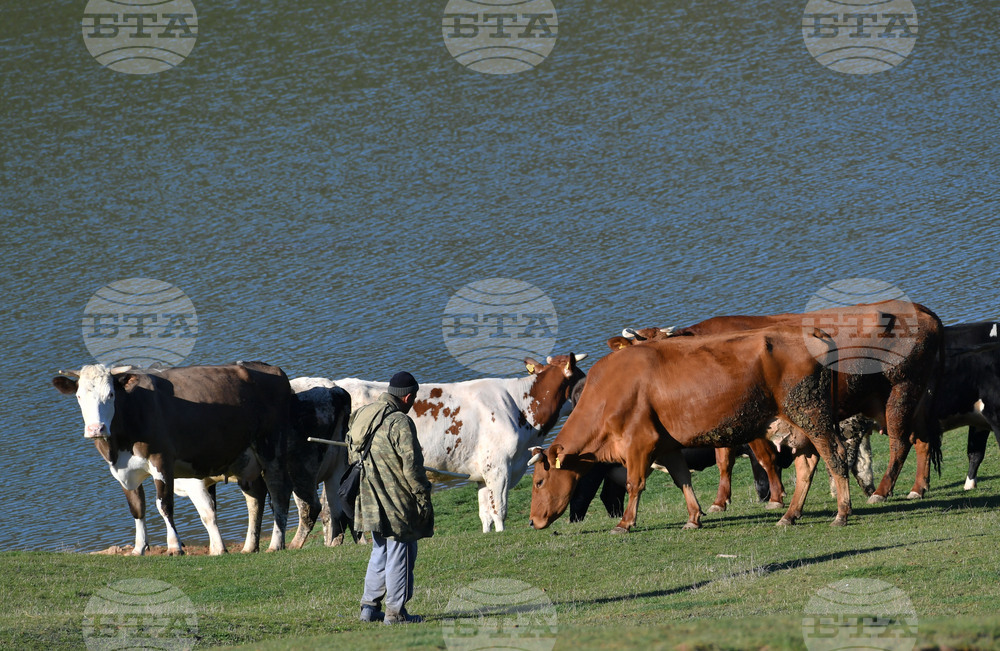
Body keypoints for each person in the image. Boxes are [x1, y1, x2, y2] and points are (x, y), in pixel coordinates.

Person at [348, 371, 434, 625]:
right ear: (407, 397)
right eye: (414, 398)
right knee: (401, 549)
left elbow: (352, 454)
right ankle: (395, 613)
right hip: (395, 499)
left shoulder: (363, 413)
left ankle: (369, 608)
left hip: (367, 495)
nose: (414, 403)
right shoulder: (401, 422)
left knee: (380, 549)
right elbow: (412, 468)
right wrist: (422, 496)